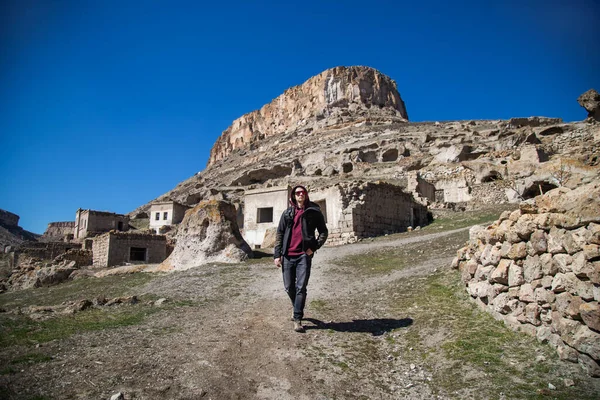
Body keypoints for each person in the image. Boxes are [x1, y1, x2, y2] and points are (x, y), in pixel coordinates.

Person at [274, 185, 328, 332]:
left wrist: (314, 248)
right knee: (288, 287)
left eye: (303, 192)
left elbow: (323, 232)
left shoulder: (314, 212)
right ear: (293, 196)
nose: (300, 195)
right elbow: (279, 234)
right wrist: (277, 255)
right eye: (298, 193)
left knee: (301, 287)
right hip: (287, 255)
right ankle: (296, 306)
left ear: (306, 195)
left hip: (304, 255)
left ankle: (297, 318)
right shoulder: (287, 213)